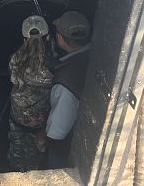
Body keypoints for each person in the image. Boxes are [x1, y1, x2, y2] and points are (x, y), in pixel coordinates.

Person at [36, 11, 91, 169]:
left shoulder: (65, 83)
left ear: (60, 38)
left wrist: (43, 136)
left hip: (68, 147)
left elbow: (57, 132)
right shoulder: (94, 55)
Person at [7, 15, 53, 171]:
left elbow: (13, 80)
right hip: (40, 122)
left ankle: (16, 172)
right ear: (46, 38)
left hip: (18, 116)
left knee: (17, 148)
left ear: (24, 39)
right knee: (36, 154)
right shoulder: (52, 64)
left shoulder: (15, 59)